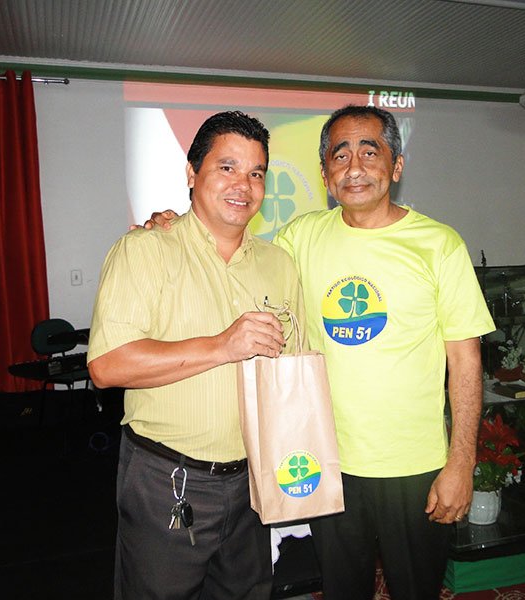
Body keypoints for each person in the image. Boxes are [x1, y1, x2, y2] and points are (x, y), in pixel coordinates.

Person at [143, 105, 494, 599]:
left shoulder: (440, 245)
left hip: (416, 468)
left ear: (396, 166)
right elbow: (234, 250)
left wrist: (461, 464)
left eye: (369, 152)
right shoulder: (300, 238)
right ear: (325, 175)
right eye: (340, 155)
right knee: (340, 590)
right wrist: (173, 226)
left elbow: (465, 361)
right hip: (329, 463)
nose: (354, 167)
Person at [87, 111, 305, 600]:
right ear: (192, 173)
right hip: (167, 479)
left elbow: (294, 374)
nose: (243, 185)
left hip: (252, 482)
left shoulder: (279, 264)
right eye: (227, 167)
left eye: (256, 173)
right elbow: (107, 366)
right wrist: (223, 346)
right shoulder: (145, 250)